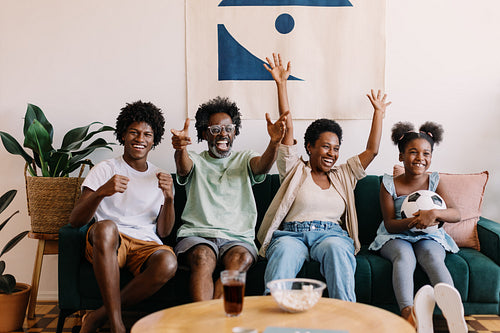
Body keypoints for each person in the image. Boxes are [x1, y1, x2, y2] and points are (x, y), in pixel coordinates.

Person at [257, 53, 391, 301]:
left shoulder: (344, 175)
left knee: (338, 250)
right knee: (284, 253)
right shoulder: (294, 169)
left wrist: (378, 114)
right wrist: (281, 85)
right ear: (309, 147)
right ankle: (271, 315)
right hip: (292, 235)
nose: (332, 153)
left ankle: (346, 313)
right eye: (326, 146)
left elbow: (372, 151)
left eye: (336, 148)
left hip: (331, 235)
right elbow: (287, 127)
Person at [69, 101, 177, 333]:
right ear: (123, 135)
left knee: (169, 262)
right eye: (134, 132)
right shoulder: (105, 169)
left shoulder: (159, 175)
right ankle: (117, 325)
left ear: (154, 140)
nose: (140, 139)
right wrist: (101, 192)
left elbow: (164, 233)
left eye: (147, 134)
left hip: (144, 245)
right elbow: (76, 220)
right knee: (107, 227)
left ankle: (98, 317)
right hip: (108, 243)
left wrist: (169, 198)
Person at [170, 96, 288, 301]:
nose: (222, 134)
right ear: (205, 134)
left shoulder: (244, 158)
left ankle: (213, 323)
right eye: (215, 130)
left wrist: (274, 143)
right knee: (202, 257)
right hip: (199, 234)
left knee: (241, 258)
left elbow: (262, 166)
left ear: (235, 132)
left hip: (238, 238)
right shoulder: (196, 160)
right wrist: (181, 149)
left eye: (228, 128)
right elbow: (183, 167)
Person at [368, 121, 462, 326]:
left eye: (426, 153)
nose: (420, 158)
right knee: (404, 257)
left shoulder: (435, 181)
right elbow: (390, 223)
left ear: (431, 157)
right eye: (413, 152)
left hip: (429, 236)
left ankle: (452, 312)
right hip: (395, 236)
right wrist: (415, 221)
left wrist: (435, 213)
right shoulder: (388, 184)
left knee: (432, 257)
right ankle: (408, 313)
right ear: (401, 156)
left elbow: (456, 214)